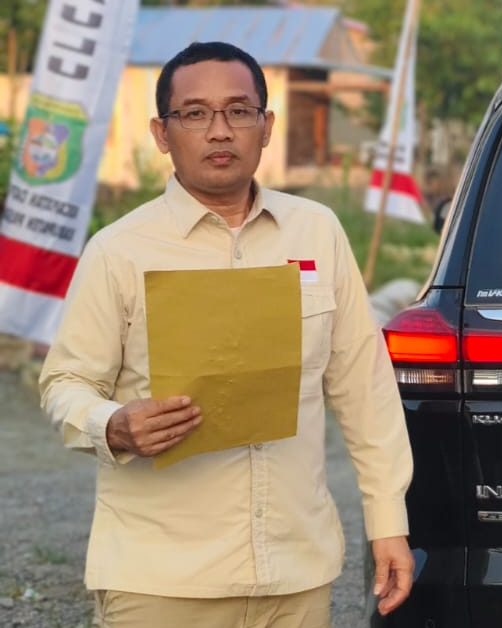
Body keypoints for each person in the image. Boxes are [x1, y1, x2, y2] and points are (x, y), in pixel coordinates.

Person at [39, 41, 414, 627]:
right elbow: (64, 382)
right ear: (162, 133)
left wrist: (387, 522)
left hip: (296, 576)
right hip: (162, 582)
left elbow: (365, 389)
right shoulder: (119, 251)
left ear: (267, 126)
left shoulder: (317, 232)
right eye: (195, 114)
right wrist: (112, 424)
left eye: (239, 111)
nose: (220, 130)